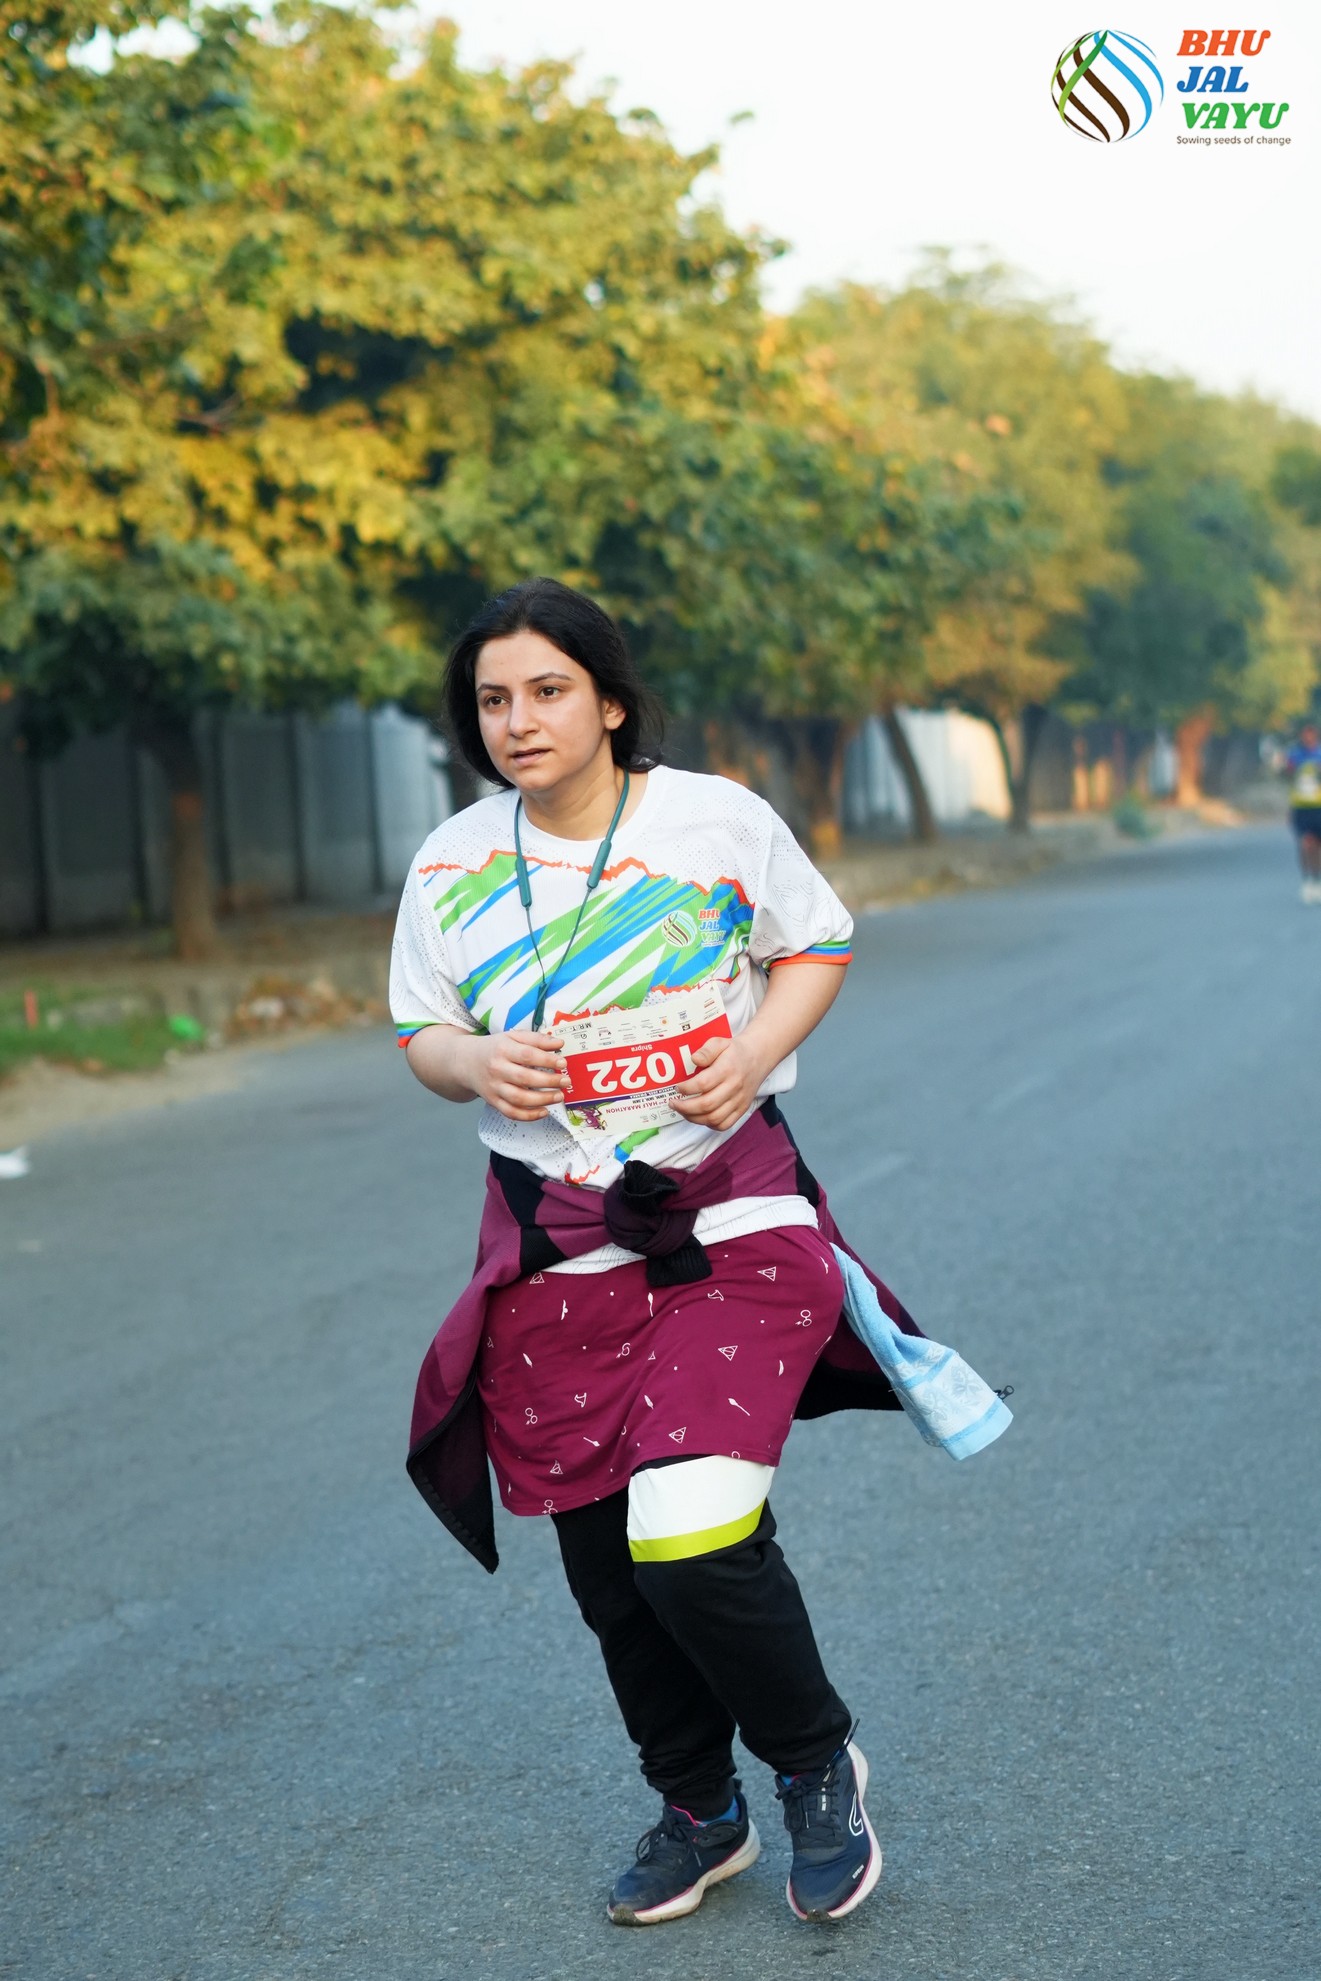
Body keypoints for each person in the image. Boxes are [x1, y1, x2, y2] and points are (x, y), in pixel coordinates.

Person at [391, 578, 918, 1929]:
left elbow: (814, 940)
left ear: (612, 701)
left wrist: (751, 1051)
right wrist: (474, 1062)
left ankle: (815, 1765)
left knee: (687, 1538)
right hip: (554, 1248)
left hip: (727, 1219)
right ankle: (698, 1807)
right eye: (493, 700)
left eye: (548, 690)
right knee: (609, 1571)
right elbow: (421, 1033)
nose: (518, 720)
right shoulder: (450, 861)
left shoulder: (714, 819)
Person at [1284, 721, 1321, 903]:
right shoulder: (1295, 755)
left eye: (1311, 735)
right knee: (1306, 844)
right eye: (1305, 735)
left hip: (1318, 807)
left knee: (1318, 846)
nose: (1308, 738)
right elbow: (1287, 778)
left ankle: (1317, 880)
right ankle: (1307, 881)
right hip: (1301, 807)